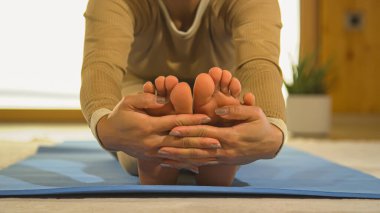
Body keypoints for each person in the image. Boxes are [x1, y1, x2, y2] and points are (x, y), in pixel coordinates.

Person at [80, 0, 287, 186]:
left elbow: (260, 66)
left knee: (236, 114)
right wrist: (108, 126)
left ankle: (162, 154)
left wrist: (269, 130)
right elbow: (102, 66)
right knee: (132, 120)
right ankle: (214, 147)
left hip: (220, 90)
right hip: (146, 90)